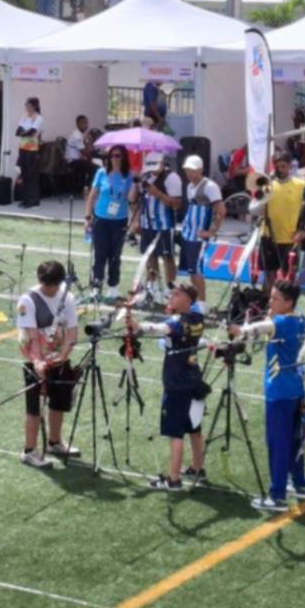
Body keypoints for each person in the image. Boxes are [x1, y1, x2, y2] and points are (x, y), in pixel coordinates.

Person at [230, 280, 305, 512]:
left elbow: (262, 329)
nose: (270, 302)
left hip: (279, 392)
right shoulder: (299, 318)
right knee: (295, 440)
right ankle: (300, 484)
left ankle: (277, 496)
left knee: (278, 443)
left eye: (275, 299)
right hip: (295, 389)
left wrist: (242, 330)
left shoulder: (281, 321)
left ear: (289, 302)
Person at [130, 283, 209, 491]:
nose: (171, 297)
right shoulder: (198, 318)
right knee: (194, 427)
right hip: (194, 378)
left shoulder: (176, 322)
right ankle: (197, 468)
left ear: (188, 301)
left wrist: (138, 327)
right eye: (172, 294)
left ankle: (173, 479)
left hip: (176, 383)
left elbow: (161, 328)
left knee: (176, 433)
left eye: (177, 295)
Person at [16, 260, 81, 467]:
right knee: (34, 407)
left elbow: (72, 331)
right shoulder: (28, 300)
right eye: (46, 285)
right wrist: (37, 362)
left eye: (54, 285)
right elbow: (32, 336)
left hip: (58, 358)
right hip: (35, 359)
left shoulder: (67, 298)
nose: (50, 289)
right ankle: (29, 450)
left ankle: (54, 442)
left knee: (58, 403)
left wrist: (63, 355)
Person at [249, 151, 305, 294]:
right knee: (269, 277)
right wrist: (262, 198)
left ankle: (286, 309)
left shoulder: (301, 185)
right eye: (277, 166)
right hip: (268, 237)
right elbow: (252, 209)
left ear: (290, 166)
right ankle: (267, 306)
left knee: (289, 280)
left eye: (283, 166)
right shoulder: (267, 184)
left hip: (290, 240)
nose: (280, 170)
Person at [129, 154, 182, 304]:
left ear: (162, 164)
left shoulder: (172, 178)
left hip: (165, 224)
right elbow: (133, 200)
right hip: (147, 224)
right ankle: (152, 287)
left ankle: (169, 288)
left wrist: (157, 193)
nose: (152, 172)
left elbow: (177, 203)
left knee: (167, 256)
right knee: (149, 256)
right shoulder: (145, 176)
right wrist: (135, 183)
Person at [84, 145, 132, 301]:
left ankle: (113, 287)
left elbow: (132, 200)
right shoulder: (101, 172)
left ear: (124, 158)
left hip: (120, 221)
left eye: (119, 156)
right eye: (113, 156)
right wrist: (87, 217)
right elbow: (92, 196)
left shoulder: (129, 175)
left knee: (115, 256)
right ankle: (96, 286)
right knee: (100, 254)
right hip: (101, 219)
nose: (115, 159)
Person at [178, 155, 223, 304]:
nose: (189, 173)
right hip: (188, 235)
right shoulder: (189, 186)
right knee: (192, 271)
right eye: (187, 170)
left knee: (197, 271)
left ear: (201, 170)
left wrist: (211, 232)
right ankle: (196, 301)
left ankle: (202, 304)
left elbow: (220, 210)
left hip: (199, 237)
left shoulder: (210, 186)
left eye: (193, 170)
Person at [13, 97, 44, 208]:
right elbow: (18, 131)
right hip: (23, 148)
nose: (27, 107)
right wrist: (25, 132)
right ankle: (25, 198)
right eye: (26, 105)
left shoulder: (39, 118)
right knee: (24, 174)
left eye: (29, 105)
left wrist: (25, 132)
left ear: (34, 106)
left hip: (32, 149)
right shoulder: (24, 116)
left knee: (32, 175)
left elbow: (32, 132)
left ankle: (33, 199)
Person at [64, 115, 93, 197]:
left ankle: (80, 189)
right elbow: (86, 152)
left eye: (86, 123)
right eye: (83, 123)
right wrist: (89, 142)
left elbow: (86, 151)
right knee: (95, 168)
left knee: (87, 165)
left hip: (77, 159)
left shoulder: (80, 134)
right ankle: (87, 188)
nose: (85, 125)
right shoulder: (77, 136)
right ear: (77, 124)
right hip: (72, 161)